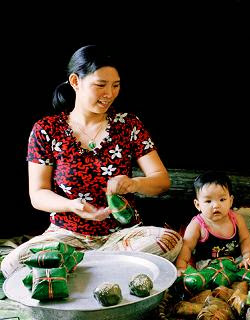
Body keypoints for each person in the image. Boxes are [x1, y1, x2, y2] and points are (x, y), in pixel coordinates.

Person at [1, 45, 182, 278]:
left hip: (122, 237)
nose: (110, 93)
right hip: (66, 236)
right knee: (12, 264)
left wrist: (134, 184)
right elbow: (38, 194)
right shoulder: (46, 129)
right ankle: (109, 269)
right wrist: (72, 205)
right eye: (100, 85)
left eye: (115, 85)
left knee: (168, 240)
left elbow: (162, 181)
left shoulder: (129, 125)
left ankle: (80, 269)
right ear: (75, 81)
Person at [175, 171, 250, 275]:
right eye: (208, 201)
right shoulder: (197, 225)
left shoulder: (237, 219)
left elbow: (245, 239)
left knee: (249, 271)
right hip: (208, 266)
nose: (216, 205)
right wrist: (181, 267)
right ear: (198, 204)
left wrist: (247, 258)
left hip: (236, 260)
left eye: (222, 199)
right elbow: (187, 247)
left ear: (230, 201)